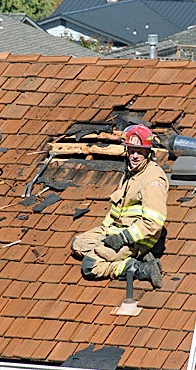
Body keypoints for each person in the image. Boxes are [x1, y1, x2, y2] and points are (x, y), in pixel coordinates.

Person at [71, 124, 168, 289]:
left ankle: (139, 268)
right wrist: (103, 233)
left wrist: (122, 239)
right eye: (131, 150)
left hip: (137, 239)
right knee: (77, 244)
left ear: (148, 152)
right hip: (115, 231)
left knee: (90, 266)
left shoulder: (153, 178)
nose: (135, 156)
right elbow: (117, 210)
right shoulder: (131, 173)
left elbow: (153, 223)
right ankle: (120, 256)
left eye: (140, 151)